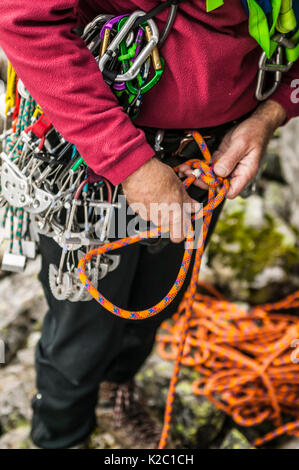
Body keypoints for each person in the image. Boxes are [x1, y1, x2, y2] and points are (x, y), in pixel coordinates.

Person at [0, 0, 298, 449]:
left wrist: (270, 113)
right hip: (90, 165)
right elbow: (24, 19)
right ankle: (59, 435)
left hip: (205, 160)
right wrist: (131, 163)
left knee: (160, 299)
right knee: (81, 329)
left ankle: (116, 390)